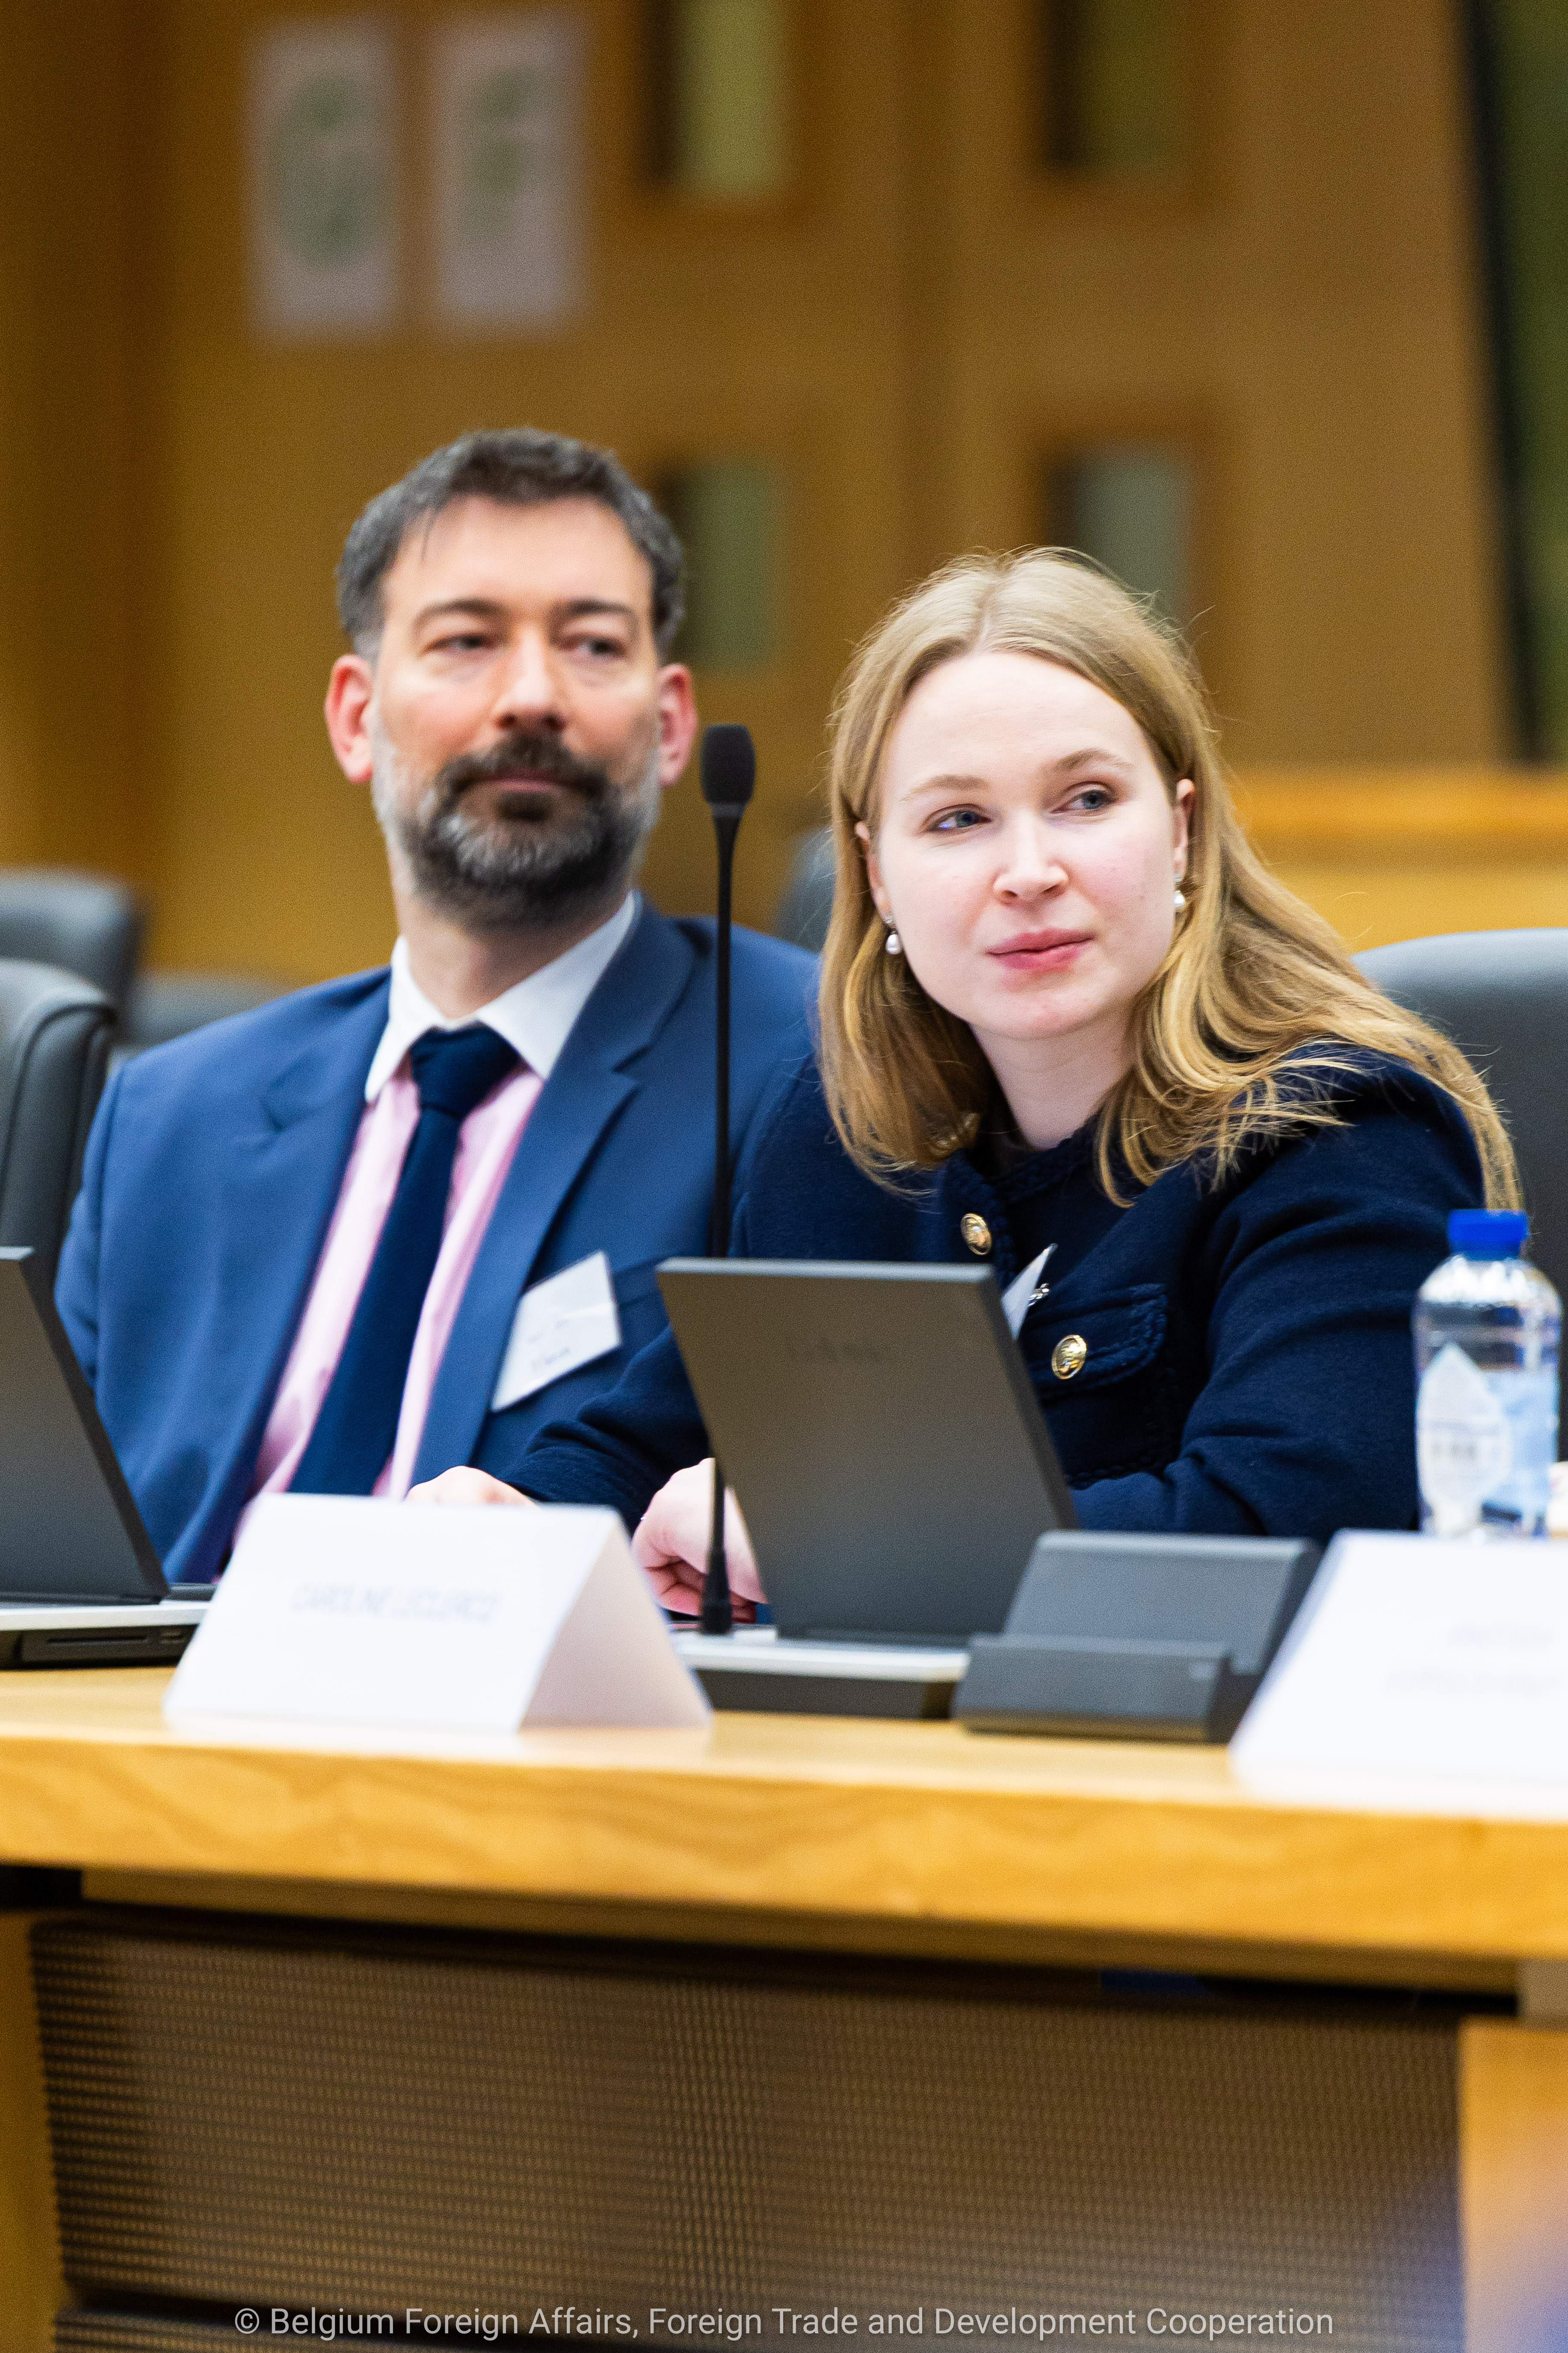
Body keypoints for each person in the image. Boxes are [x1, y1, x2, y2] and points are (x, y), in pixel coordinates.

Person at [414, 548, 1514, 1607]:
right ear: (879, 874)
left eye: (1087, 799)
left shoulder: (1338, 1133)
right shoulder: (849, 1132)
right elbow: (664, 1431)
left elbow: (1283, 1527)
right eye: (958, 820)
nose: (1028, 871)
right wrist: (519, 1515)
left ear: (1181, 831)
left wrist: (842, 1539)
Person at [56, 429, 814, 1585]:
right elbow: (53, 1559)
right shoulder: (166, 1118)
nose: (531, 696)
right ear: (355, 716)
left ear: (669, 726)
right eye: (466, 640)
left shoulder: (799, 1067)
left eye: (592, 643)